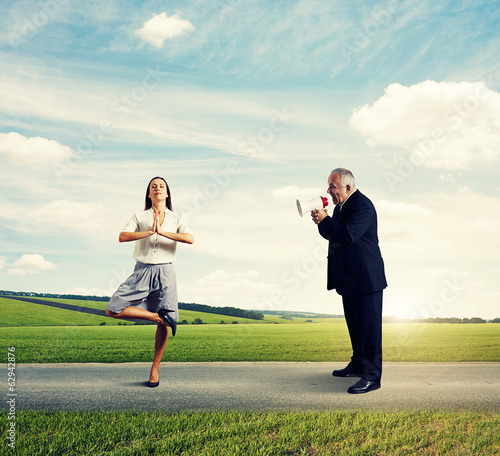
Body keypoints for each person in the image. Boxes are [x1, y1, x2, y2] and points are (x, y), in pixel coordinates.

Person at [106, 176, 194, 387]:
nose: (157, 188)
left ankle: (155, 368)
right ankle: (156, 316)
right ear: (149, 193)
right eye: (153, 186)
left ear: (167, 193)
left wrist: (162, 232)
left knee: (166, 322)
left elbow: (190, 238)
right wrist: (149, 232)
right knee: (113, 309)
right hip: (142, 270)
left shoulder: (177, 217)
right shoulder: (139, 216)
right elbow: (122, 236)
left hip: (166, 272)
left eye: (161, 186)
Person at [311, 168, 387, 394]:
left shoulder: (362, 205)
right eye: (329, 186)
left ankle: (372, 377)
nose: (328, 191)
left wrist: (326, 220)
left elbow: (346, 235)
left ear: (347, 187)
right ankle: (357, 365)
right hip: (350, 278)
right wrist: (322, 222)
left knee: (369, 329)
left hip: (366, 279)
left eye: (332, 186)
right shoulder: (340, 207)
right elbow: (333, 234)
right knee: (355, 326)